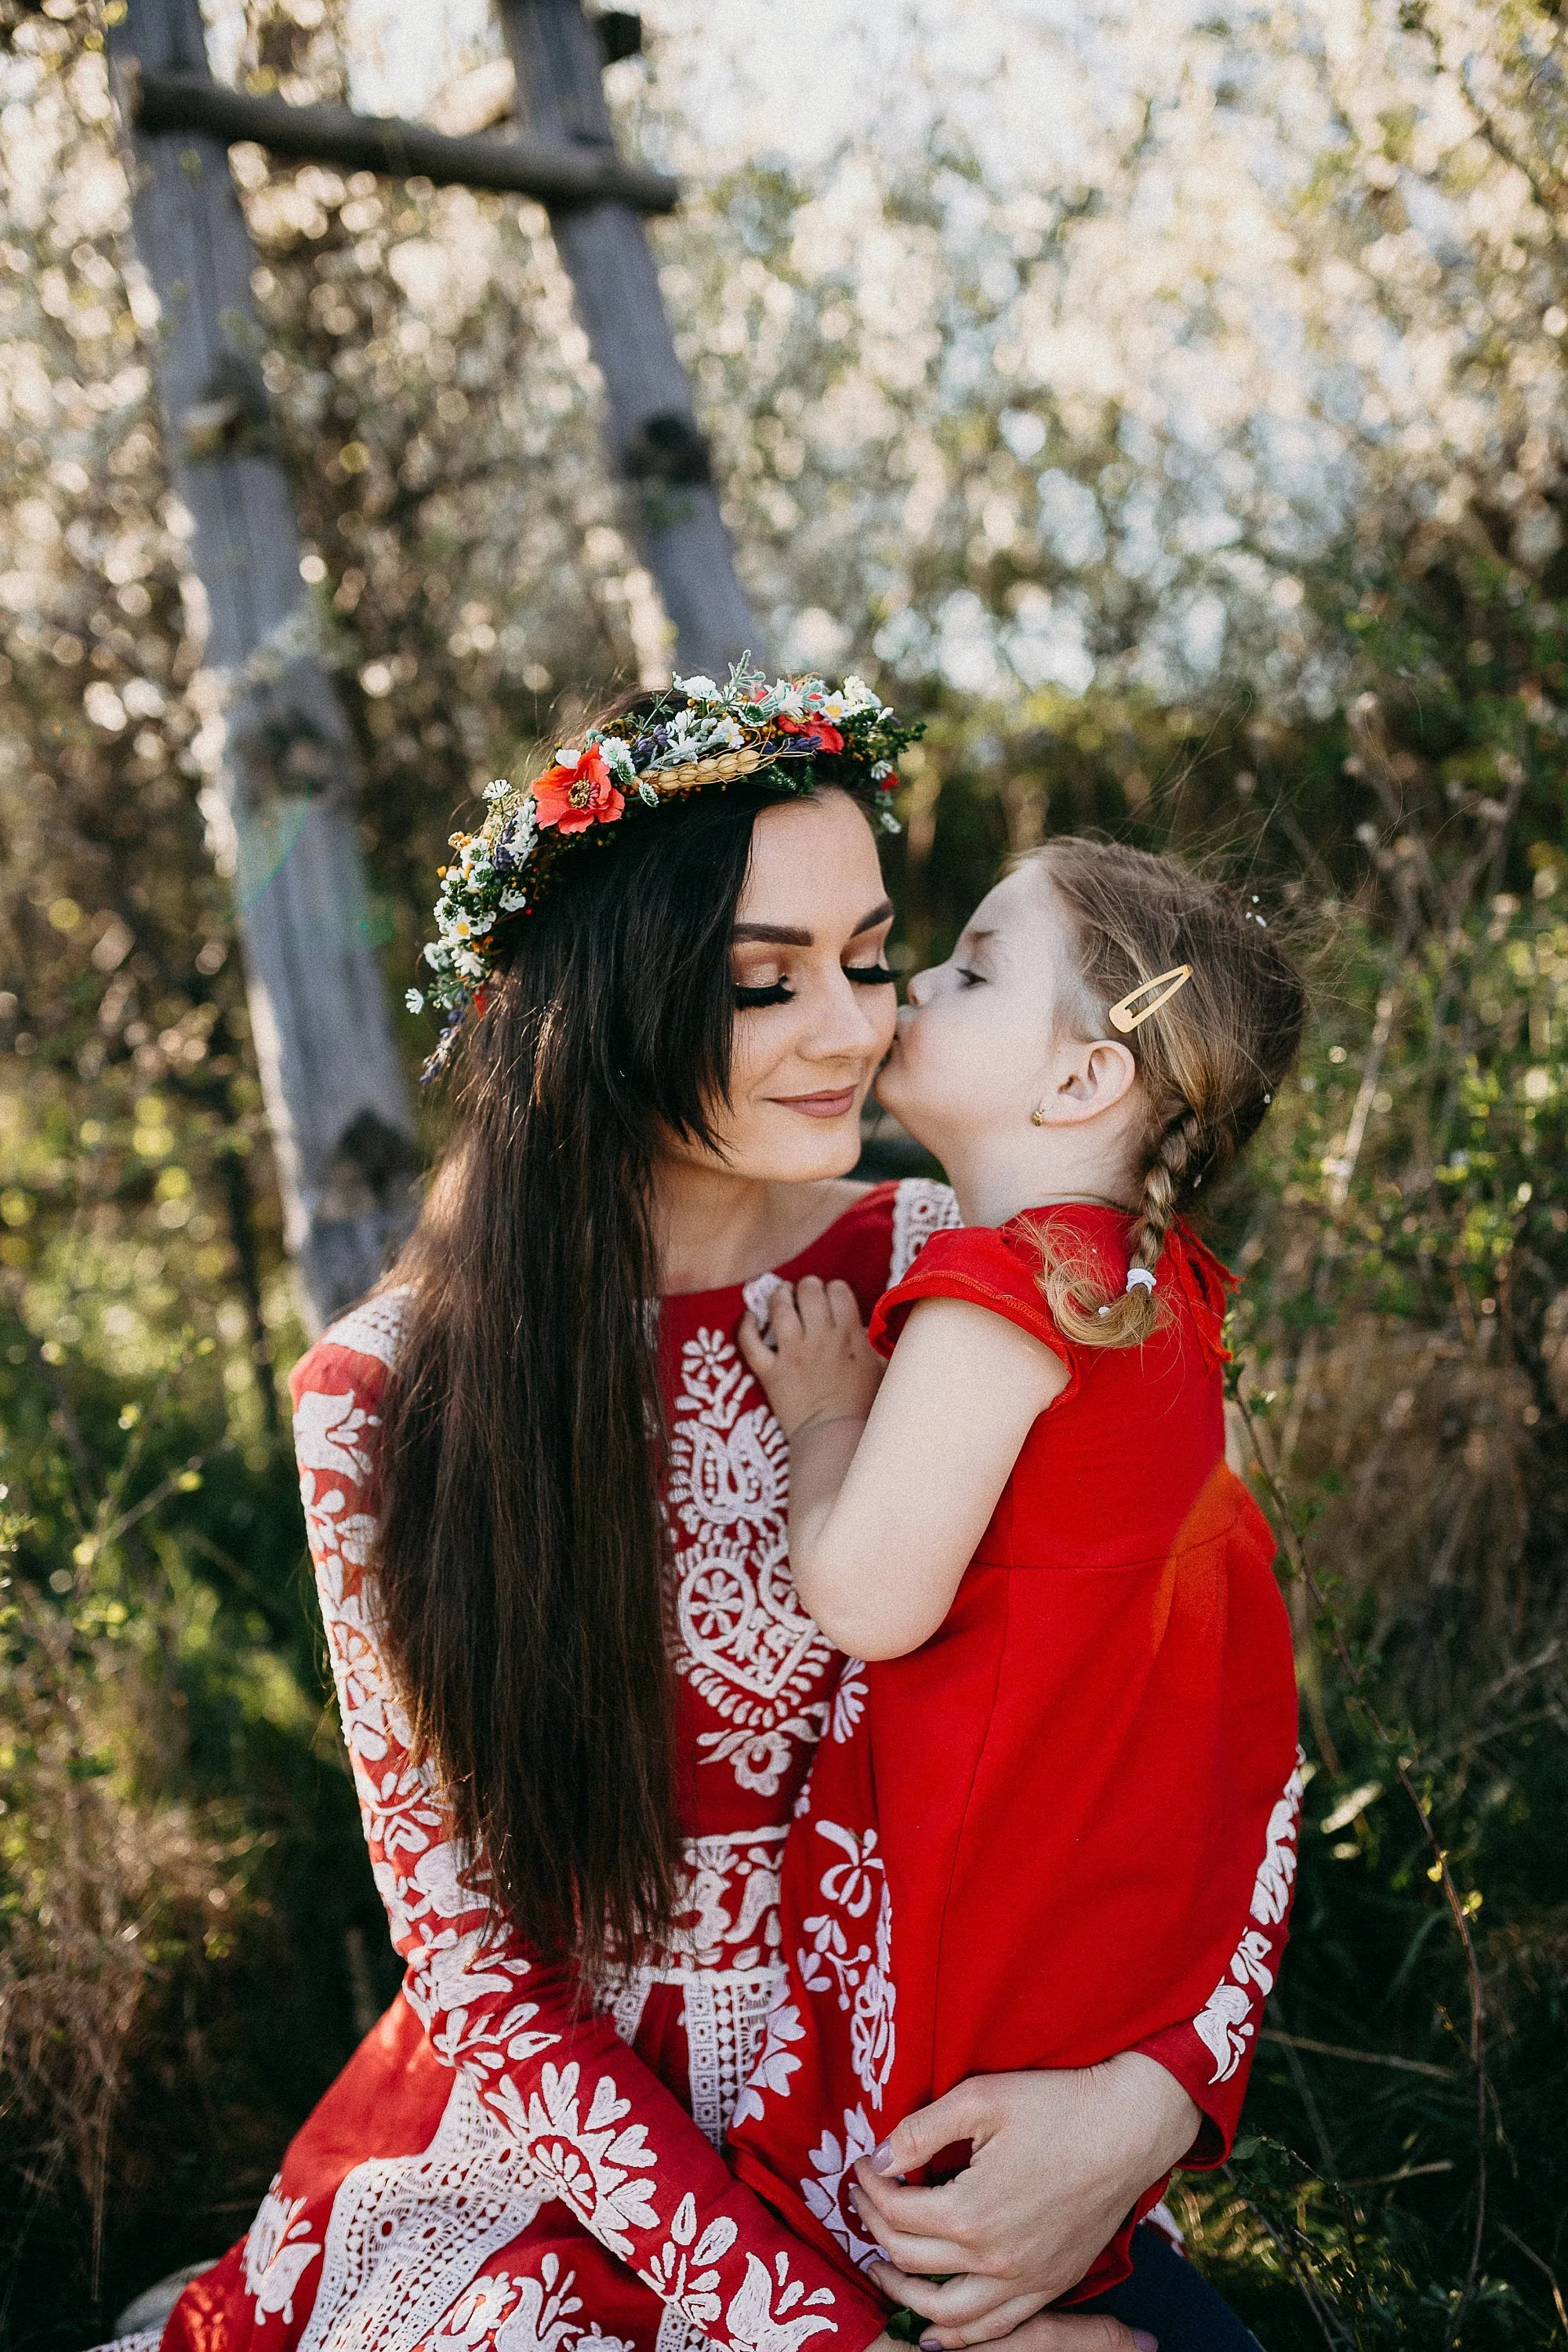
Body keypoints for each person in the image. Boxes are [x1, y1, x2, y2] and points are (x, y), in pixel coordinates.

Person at [146, 676, 1291, 2352]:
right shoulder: (382, 1399)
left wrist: (1157, 2097)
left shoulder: (963, 1274)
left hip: (926, 2119)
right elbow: (477, 1978)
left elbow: (1222, 1723)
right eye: (766, 982)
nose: (857, 1027)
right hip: (571, 2168)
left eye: (874, 954)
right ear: (605, 997)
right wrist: (819, 2338)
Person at [728, 840, 1305, 2341]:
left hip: (975, 1886)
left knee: (911, 2198)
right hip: (1101, 1895)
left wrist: (823, 1419)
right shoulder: (1152, 1288)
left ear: (1077, 1090)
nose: (910, 983)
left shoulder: (1001, 1298)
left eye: (974, 969)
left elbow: (865, 1598)